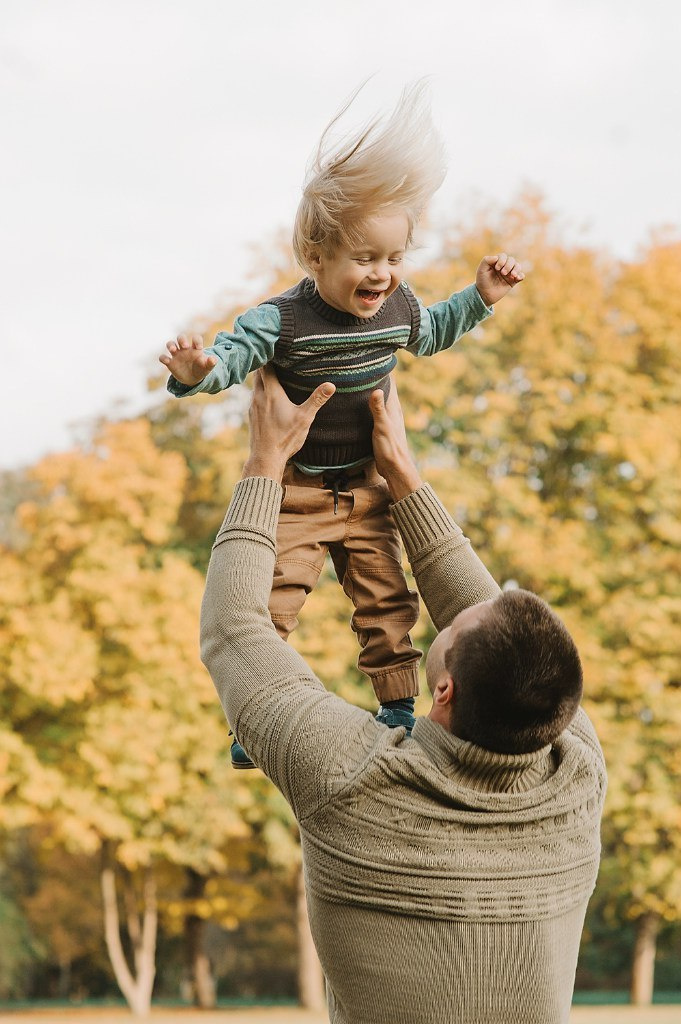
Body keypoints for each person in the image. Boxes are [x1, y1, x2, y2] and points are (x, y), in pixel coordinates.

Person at [200, 364, 606, 1024]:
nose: (456, 608)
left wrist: (264, 461)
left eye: (455, 625)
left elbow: (233, 628)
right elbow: (485, 623)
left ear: (441, 691)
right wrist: (403, 476)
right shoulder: (577, 769)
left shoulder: (349, 777)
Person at [159, 83, 525, 767]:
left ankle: (396, 704)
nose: (382, 274)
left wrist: (481, 297)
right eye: (364, 259)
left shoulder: (398, 309)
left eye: (393, 258)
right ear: (316, 256)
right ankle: (252, 718)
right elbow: (231, 359)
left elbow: (437, 329)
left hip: (365, 486)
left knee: (387, 598)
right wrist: (192, 373)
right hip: (295, 487)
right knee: (271, 601)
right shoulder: (282, 319)